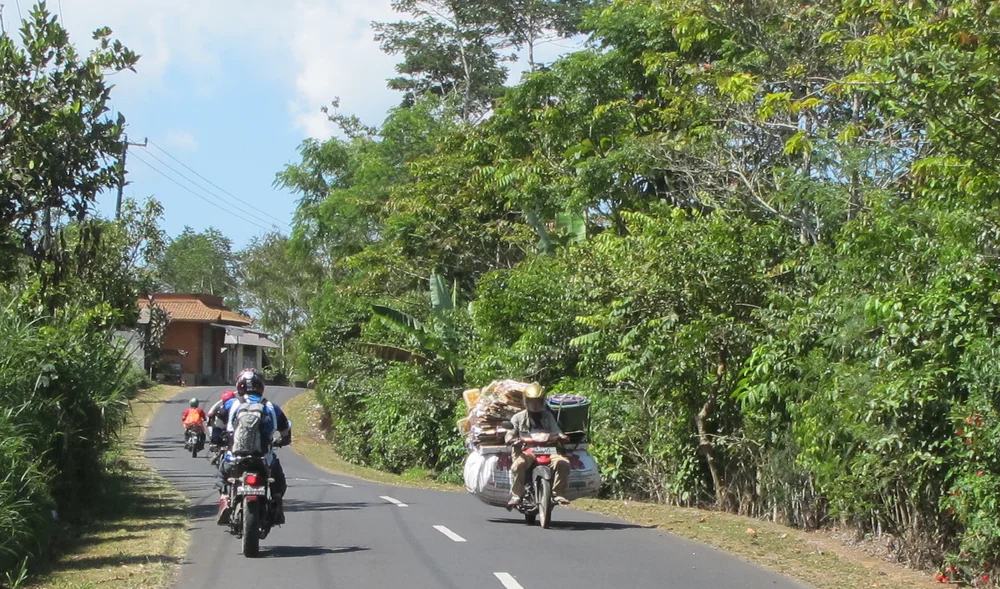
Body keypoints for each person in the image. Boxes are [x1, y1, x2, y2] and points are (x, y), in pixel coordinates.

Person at [217, 368, 291, 525]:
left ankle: (224, 499)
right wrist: (284, 439)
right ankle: (277, 505)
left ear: (240, 385)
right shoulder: (271, 406)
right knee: (278, 480)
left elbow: (217, 423)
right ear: (261, 386)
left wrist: (217, 439)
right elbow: (285, 428)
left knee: (222, 473)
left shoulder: (232, 404)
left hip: (235, 457)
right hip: (264, 458)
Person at [505, 382, 572, 509]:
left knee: (563, 463)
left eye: (537, 401)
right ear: (526, 401)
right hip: (528, 450)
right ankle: (516, 495)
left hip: (549, 449)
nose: (534, 405)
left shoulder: (548, 416)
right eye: (531, 401)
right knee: (517, 466)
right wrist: (512, 439)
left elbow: (556, 431)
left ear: (542, 401)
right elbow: (510, 433)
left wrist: (562, 436)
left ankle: (558, 494)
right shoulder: (518, 418)